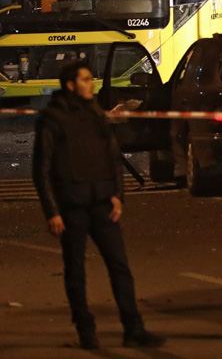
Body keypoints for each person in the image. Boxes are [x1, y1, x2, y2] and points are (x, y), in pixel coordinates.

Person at [32, 61, 165, 351]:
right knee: (76, 270)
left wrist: (118, 195)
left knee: (120, 266)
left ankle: (134, 329)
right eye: (85, 79)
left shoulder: (94, 114)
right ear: (70, 85)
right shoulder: (52, 119)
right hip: (72, 206)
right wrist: (52, 211)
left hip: (102, 202)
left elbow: (113, 157)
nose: (91, 84)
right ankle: (86, 331)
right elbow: (42, 168)